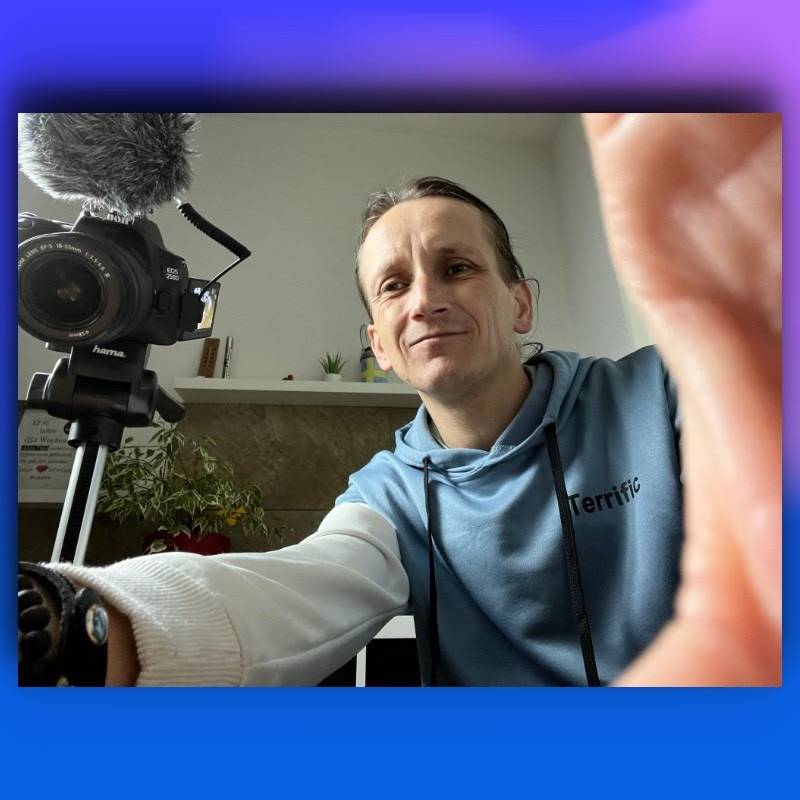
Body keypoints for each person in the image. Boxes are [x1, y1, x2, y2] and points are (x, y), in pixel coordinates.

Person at [18, 113, 781, 687]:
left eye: (457, 268)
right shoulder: (388, 496)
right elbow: (291, 593)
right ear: (379, 345)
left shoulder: (663, 392)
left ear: (520, 304)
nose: (425, 301)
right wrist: (69, 619)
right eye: (393, 285)